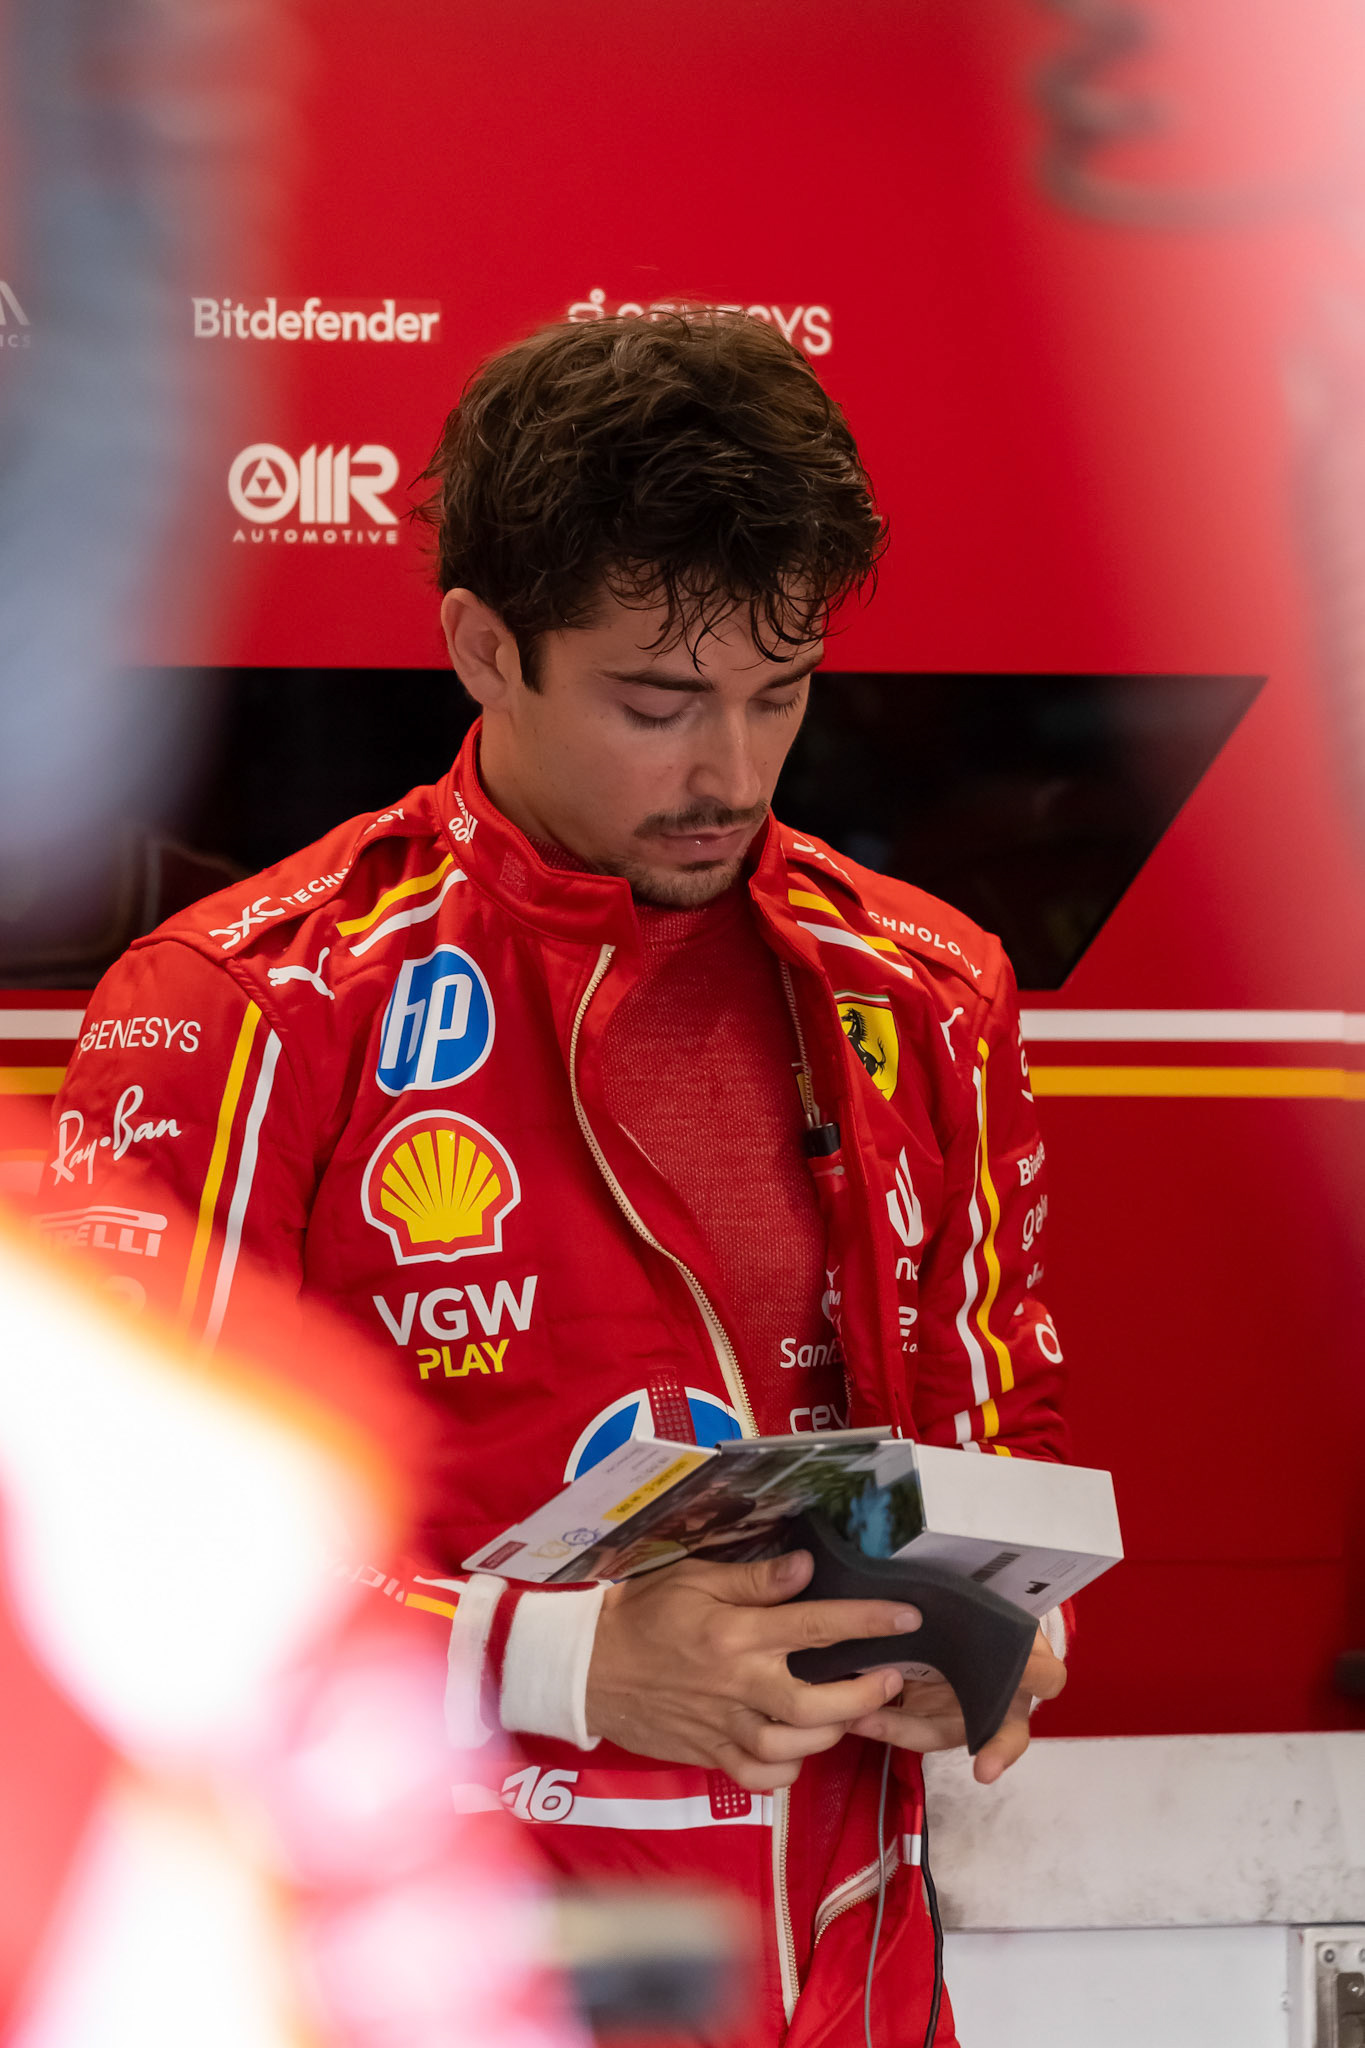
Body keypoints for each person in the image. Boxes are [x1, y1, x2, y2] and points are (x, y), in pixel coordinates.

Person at [43, 312, 1068, 2046]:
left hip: (852, 1977)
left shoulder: (924, 987)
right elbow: (104, 1560)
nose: (729, 774)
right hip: (435, 1980)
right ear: (482, 647)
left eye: (779, 693)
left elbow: (1001, 1430)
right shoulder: (251, 1006)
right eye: (655, 703)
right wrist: (566, 1662)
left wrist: (1002, 1629)